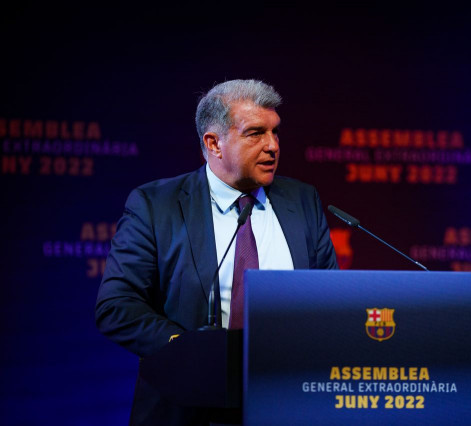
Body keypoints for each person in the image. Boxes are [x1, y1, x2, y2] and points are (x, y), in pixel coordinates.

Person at [95, 79, 338, 425]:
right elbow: (117, 306)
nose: (272, 146)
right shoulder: (156, 205)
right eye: (255, 133)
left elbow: (330, 300)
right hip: (186, 407)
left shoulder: (303, 201)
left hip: (285, 404)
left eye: (275, 132)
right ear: (214, 143)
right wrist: (188, 349)